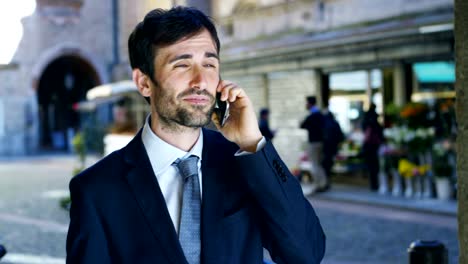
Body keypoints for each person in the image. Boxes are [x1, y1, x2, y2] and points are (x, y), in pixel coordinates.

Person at [66, 6, 325, 264]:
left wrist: (252, 143)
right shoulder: (96, 190)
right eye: (182, 65)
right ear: (144, 83)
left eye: (210, 64)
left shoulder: (244, 163)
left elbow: (306, 253)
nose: (201, 81)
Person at [300, 96, 328, 191]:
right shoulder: (320, 115)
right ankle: (323, 183)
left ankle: (318, 185)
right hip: (321, 142)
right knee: (319, 164)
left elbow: (302, 125)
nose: (305, 105)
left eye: (307, 103)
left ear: (310, 103)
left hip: (313, 142)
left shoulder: (312, 116)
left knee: (314, 164)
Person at [361, 103, 384, 191]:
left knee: (371, 165)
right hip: (374, 145)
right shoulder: (374, 119)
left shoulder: (366, 119)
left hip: (369, 145)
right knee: (375, 165)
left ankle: (373, 184)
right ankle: (375, 184)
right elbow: (379, 132)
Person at [321, 108, 344, 188]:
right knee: (328, 164)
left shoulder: (324, 123)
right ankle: (327, 180)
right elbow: (341, 136)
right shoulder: (335, 123)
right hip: (333, 147)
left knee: (325, 164)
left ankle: (326, 182)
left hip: (326, 147)